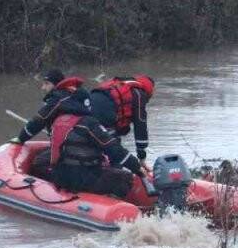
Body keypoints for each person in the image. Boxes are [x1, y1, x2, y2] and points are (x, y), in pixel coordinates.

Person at [10, 69, 152, 198]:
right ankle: (108, 200)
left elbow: (37, 123)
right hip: (84, 178)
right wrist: (138, 168)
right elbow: (115, 150)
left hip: (61, 177)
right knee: (125, 178)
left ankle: (51, 190)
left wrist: (21, 138)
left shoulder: (58, 122)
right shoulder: (90, 125)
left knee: (40, 162)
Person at [89, 74, 154, 161]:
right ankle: (114, 169)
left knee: (97, 144)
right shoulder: (139, 94)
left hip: (88, 105)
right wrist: (141, 154)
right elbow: (140, 124)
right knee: (113, 150)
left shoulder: (120, 85)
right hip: (105, 113)